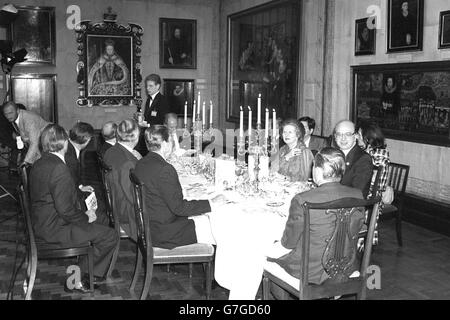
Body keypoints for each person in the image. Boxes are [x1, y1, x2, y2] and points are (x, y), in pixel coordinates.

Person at [265, 148, 365, 298]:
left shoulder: (302, 199)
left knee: (266, 259)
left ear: (317, 170)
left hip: (308, 271)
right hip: (345, 267)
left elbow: (288, 243)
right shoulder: (357, 195)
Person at [29, 124, 118, 293]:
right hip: (55, 228)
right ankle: (77, 279)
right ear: (64, 143)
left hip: (43, 222)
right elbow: (65, 211)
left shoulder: (39, 163)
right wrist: (85, 217)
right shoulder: (59, 168)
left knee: (103, 220)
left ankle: (84, 267)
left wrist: (84, 213)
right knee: (110, 236)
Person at [134, 125, 226, 249]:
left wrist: (188, 193)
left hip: (150, 225)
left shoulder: (141, 163)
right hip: (164, 233)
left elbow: (160, 193)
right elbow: (179, 208)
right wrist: (212, 202)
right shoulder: (165, 169)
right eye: (171, 141)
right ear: (165, 144)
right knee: (220, 228)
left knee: (203, 217)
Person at [104, 119, 142, 241]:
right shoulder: (128, 163)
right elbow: (133, 197)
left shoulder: (111, 151)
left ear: (118, 135)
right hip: (127, 214)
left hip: (114, 205)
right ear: (136, 136)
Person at [356, 122, 390, 245]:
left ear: (368, 138)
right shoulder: (367, 151)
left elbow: (372, 184)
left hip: (372, 199)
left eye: (359, 135)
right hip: (364, 193)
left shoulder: (378, 155)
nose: (356, 137)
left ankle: (356, 242)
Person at [334, 120, 373, 198]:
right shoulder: (333, 155)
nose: (343, 138)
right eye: (339, 134)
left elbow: (357, 192)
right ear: (335, 137)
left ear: (355, 136)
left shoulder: (363, 159)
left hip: (350, 206)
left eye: (347, 134)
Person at [2, 101, 49, 165]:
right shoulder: (15, 117)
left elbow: (34, 142)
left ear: (17, 110)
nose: (8, 116)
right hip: (41, 144)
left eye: (10, 113)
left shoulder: (29, 120)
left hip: (50, 141)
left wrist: (26, 161)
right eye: (6, 114)